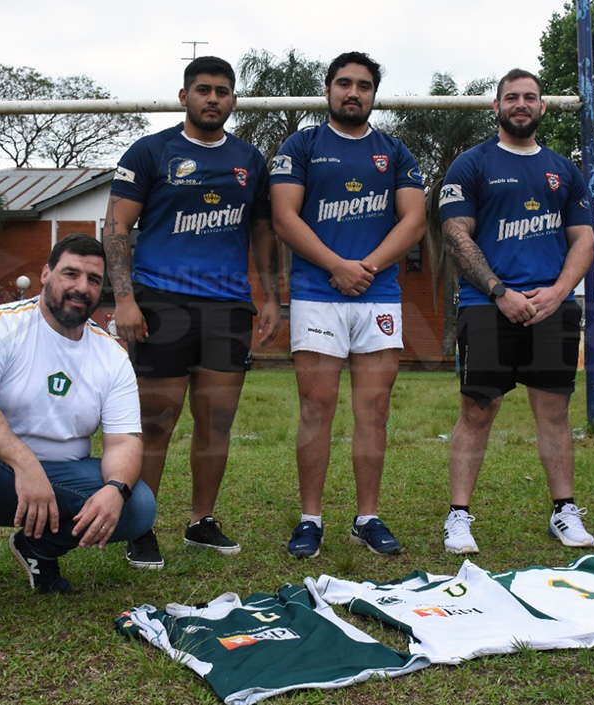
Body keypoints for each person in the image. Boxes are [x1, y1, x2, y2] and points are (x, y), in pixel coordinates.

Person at [0, 234, 156, 632]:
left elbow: (125, 441)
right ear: (46, 274)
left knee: (138, 506)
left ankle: (37, 548)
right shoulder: (3, 324)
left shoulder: (111, 356)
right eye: (71, 273)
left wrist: (116, 489)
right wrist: (24, 463)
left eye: (94, 280)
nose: (82, 287)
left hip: (60, 481)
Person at [105, 56, 281, 568]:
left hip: (227, 307)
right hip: (160, 302)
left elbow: (263, 232)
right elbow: (116, 228)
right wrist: (123, 297)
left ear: (233, 100)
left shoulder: (250, 159)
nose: (213, 99)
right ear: (184, 96)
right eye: (203, 90)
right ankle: (141, 525)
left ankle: (201, 520)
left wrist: (270, 297)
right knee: (156, 421)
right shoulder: (151, 151)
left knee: (217, 421)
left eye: (222, 91)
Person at [270, 51, 425, 558]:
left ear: (374, 94)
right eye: (343, 83)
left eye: (362, 85)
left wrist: (367, 268)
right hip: (318, 294)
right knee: (316, 408)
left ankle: (367, 517)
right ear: (329, 89)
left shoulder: (396, 151)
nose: (353, 92)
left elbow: (414, 220)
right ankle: (310, 518)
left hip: (377, 295)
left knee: (373, 411)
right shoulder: (302, 145)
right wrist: (337, 265)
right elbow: (284, 216)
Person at [438, 68, 594, 555]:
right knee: (478, 409)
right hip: (488, 305)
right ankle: (459, 517)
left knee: (554, 411)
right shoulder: (472, 164)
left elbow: (584, 238)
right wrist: (499, 290)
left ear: (543, 107)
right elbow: (455, 233)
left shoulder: (564, 170)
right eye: (512, 97)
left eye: (530, 97)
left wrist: (558, 292)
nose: (521, 104)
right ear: (497, 107)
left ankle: (563, 511)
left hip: (553, 307)